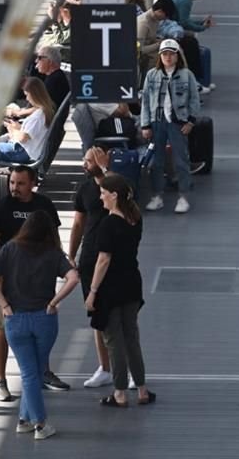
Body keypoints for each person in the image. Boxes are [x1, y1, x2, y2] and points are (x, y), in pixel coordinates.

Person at [0, 210, 79, 441]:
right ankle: (40, 424)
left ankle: (24, 420)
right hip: (44, 319)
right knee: (32, 373)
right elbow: (74, 278)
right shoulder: (53, 253)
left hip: (14, 320)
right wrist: (55, 301)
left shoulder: (10, 249)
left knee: (32, 373)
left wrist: (4, 304)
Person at [0, 166, 67, 400]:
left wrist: (57, 262)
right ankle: (0, 380)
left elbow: (55, 238)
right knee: (3, 326)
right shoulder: (2, 207)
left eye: (20, 183)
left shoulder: (44, 206)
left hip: (40, 278)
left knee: (42, 326)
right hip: (12, 279)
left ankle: (44, 372)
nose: (14, 188)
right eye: (12, 183)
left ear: (32, 184)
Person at [85, 174, 155, 406]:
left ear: (114, 195)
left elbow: (103, 260)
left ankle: (120, 392)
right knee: (131, 337)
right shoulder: (135, 218)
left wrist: (93, 290)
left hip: (111, 288)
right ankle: (142, 389)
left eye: (104, 193)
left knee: (114, 340)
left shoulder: (108, 224)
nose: (101, 197)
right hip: (132, 283)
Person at [68, 147, 113, 388]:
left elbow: (122, 199)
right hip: (89, 258)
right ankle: (104, 367)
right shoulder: (84, 188)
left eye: (88, 161)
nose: (84, 165)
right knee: (96, 315)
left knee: (118, 315)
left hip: (114, 258)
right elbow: (77, 224)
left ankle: (123, 366)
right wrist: (71, 254)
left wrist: (105, 170)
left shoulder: (114, 184)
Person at [139, 39, 201, 214]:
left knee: (181, 161)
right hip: (157, 123)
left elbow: (194, 100)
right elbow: (145, 101)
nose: (168, 57)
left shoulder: (186, 75)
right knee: (156, 162)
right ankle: (157, 196)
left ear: (177, 55)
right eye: (164, 54)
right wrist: (145, 125)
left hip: (178, 123)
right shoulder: (152, 75)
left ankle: (183, 197)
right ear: (160, 56)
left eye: (171, 54)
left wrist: (190, 121)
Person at [0, 77, 55, 164]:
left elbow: (23, 138)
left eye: (27, 95)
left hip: (22, 152)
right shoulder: (44, 111)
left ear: (34, 94)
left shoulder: (38, 117)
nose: (27, 99)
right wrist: (18, 128)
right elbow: (30, 134)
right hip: (25, 150)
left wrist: (13, 129)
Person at [169, 0, 215, 91]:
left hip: (170, 27)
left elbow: (184, 19)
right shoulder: (186, 1)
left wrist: (200, 22)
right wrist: (201, 28)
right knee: (191, 43)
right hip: (169, 30)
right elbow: (183, 23)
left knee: (190, 39)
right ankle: (195, 79)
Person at [137, 0, 175, 78]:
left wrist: (162, 42)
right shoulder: (143, 23)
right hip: (141, 54)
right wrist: (158, 44)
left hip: (149, 49)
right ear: (160, 11)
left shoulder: (155, 19)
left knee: (176, 50)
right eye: (165, 16)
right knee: (170, 57)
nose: (165, 19)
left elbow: (151, 38)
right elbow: (139, 49)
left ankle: (185, 79)